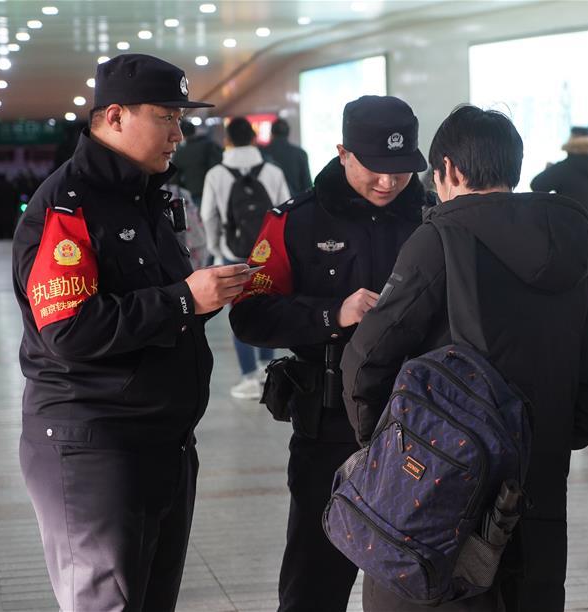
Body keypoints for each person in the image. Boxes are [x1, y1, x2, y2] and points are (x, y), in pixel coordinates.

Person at [341, 105, 588, 611]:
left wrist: (389, 450)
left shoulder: (441, 237)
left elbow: (367, 357)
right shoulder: (568, 243)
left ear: (449, 170)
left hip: (437, 507)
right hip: (537, 509)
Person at [11, 53, 255, 610]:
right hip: (94, 447)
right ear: (116, 116)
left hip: (162, 443)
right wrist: (184, 298)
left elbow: (158, 304)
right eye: (166, 116)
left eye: (180, 118)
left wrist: (209, 295)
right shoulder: (67, 206)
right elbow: (69, 330)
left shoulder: (149, 198)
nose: (179, 133)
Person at [229, 95, 431, 612]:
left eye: (401, 168)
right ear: (343, 153)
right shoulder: (296, 221)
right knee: (315, 579)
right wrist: (332, 314)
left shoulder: (434, 219)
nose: (388, 181)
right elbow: (250, 315)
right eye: (374, 167)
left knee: (417, 581)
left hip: (421, 425)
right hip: (329, 425)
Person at [202, 117, 290, 398]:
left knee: (239, 312)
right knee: (267, 307)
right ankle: (267, 370)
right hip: (267, 255)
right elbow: (285, 212)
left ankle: (249, 377)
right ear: (253, 139)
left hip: (232, 253)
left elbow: (208, 215)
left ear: (227, 140)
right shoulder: (273, 172)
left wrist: (216, 248)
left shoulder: (216, 174)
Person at [530, 126, 588, 317]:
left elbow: (537, 185)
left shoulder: (565, 167)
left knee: (566, 304)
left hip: (569, 249)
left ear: (573, 143)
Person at [171, 119, 223, 206]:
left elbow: (174, 178)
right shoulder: (209, 144)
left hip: (193, 192)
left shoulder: (180, 152)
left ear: (182, 134)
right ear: (194, 131)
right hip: (215, 188)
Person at [262, 117, 313, 195]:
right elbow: (307, 186)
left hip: (270, 201)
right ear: (288, 133)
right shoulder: (300, 154)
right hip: (294, 201)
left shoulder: (262, 153)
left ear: (272, 133)